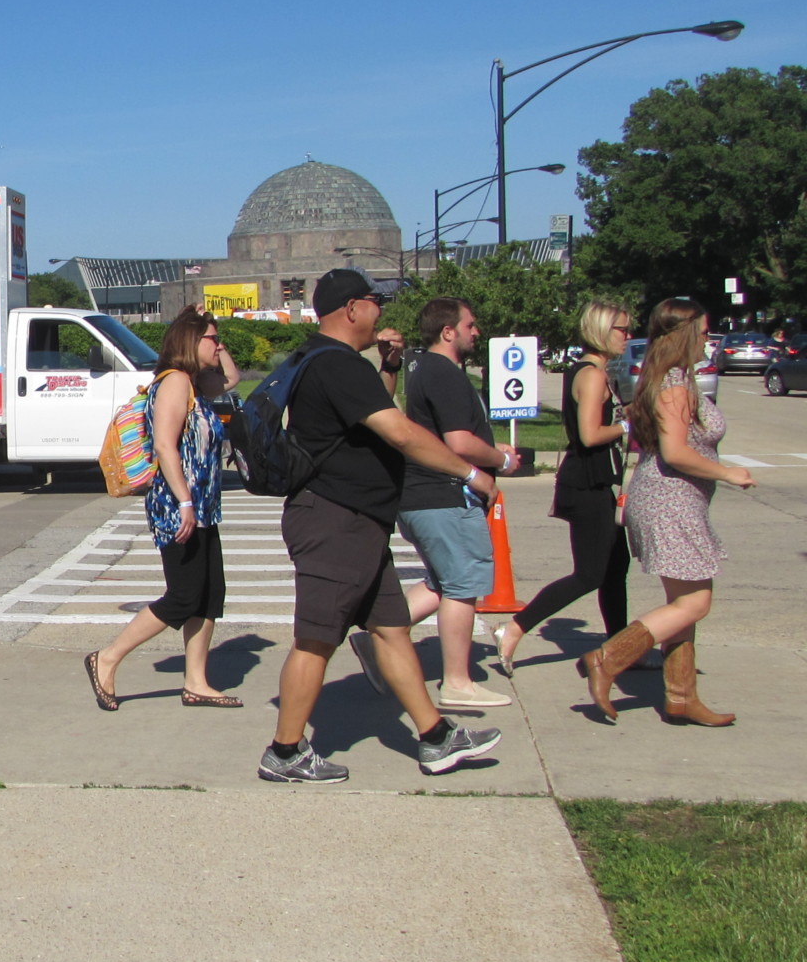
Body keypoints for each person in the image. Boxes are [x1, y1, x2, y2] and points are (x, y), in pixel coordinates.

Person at [258, 269, 504, 783]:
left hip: (359, 522)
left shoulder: (325, 360)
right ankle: (284, 753)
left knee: (392, 630)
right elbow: (399, 432)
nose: (381, 312)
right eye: (375, 302)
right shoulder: (338, 366)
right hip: (334, 521)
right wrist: (470, 472)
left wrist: (387, 370)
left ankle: (435, 737)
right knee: (316, 639)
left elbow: (365, 420)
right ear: (351, 309)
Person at [581, 298, 755, 725]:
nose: (709, 340)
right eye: (705, 332)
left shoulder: (672, 379)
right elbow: (676, 452)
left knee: (682, 602)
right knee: (696, 602)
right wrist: (727, 473)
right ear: (686, 335)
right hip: (670, 501)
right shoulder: (674, 384)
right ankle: (607, 658)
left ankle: (681, 697)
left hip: (671, 500)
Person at [85, 307, 242, 710]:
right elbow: (165, 446)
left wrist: (214, 334)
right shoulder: (174, 383)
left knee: (210, 595)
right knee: (184, 596)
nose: (218, 344)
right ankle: (107, 657)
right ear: (190, 343)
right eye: (211, 338)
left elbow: (232, 379)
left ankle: (197, 682)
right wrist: (185, 501)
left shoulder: (194, 384)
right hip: (178, 506)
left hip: (202, 507)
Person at [367, 298, 514, 708]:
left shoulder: (421, 369)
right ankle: (457, 682)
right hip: (444, 495)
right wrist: (500, 460)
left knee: (443, 581)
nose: (476, 331)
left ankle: (377, 638)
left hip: (421, 496)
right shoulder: (443, 371)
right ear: (448, 331)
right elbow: (458, 442)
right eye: (470, 324)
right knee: (463, 585)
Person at [498, 302, 636, 672]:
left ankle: (619, 650)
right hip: (586, 485)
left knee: (615, 567)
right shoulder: (591, 375)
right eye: (622, 329)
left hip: (595, 483)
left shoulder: (593, 371)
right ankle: (514, 628)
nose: (628, 336)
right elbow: (591, 435)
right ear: (603, 331)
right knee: (590, 573)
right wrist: (627, 427)